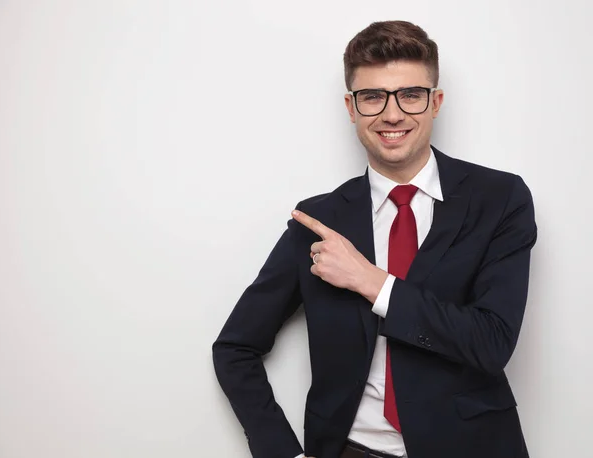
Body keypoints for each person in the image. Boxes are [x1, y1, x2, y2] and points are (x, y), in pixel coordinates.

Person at [212, 20, 536, 458]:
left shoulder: (499, 199)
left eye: (410, 94)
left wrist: (371, 281)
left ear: (435, 101)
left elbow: (492, 342)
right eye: (372, 97)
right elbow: (235, 347)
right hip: (350, 449)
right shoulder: (318, 220)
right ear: (351, 107)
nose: (392, 113)